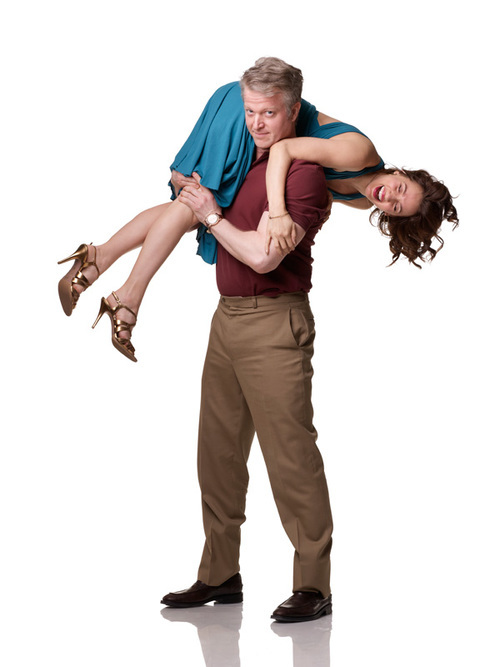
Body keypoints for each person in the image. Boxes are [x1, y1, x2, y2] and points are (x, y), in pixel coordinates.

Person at [57, 58, 458, 362]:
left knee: (194, 204)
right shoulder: (360, 152)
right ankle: (127, 297)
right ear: (402, 173)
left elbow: (307, 185)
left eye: (396, 208)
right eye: (400, 189)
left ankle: (97, 257)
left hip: (270, 128)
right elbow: (284, 151)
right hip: (259, 113)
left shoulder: (360, 199)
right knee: (195, 202)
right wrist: (278, 214)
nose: (388, 197)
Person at [159, 57, 334, 623]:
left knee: (290, 457)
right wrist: (189, 191)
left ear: (293, 111)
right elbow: (183, 196)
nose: (257, 123)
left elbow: (263, 255)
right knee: (217, 454)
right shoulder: (241, 159)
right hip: (227, 318)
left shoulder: (303, 175)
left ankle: (313, 584)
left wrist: (211, 216)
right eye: (250, 111)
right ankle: (220, 574)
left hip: (276, 322)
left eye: (269, 113)